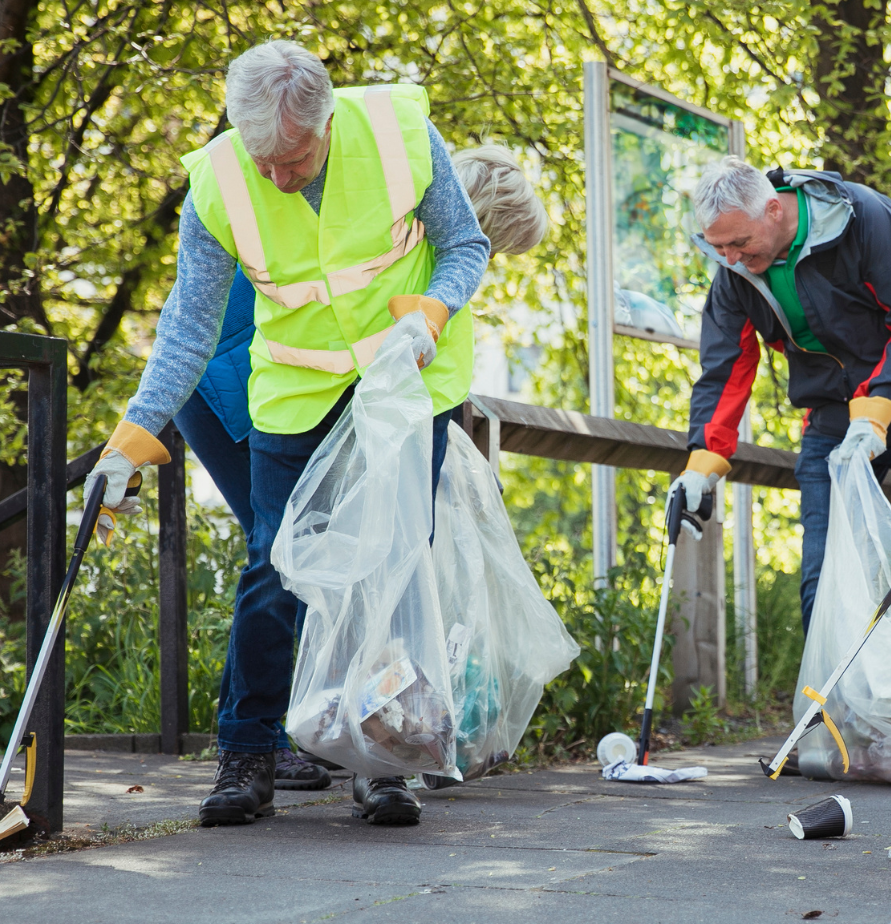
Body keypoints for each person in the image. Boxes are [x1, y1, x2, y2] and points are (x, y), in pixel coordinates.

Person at [87, 40, 491, 828]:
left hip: (407, 379)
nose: (275, 174)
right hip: (295, 387)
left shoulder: (402, 131)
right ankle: (245, 754)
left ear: (327, 121)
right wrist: (133, 432)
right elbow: (190, 321)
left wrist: (432, 316)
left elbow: (465, 245)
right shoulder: (217, 179)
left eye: (293, 157)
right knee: (274, 561)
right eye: (260, 157)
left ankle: (382, 764)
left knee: (394, 567)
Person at [170, 144, 547, 793]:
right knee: (288, 558)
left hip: (257, 388)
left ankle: (350, 730)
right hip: (233, 392)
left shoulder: (400, 233)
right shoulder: (387, 241)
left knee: (314, 563)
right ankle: (281, 736)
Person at [668, 155, 891, 775]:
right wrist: (704, 461)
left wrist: (879, 412)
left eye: (738, 242)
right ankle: (835, 721)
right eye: (717, 247)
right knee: (822, 573)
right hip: (832, 418)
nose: (729, 258)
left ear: (775, 210)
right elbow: (726, 365)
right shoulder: (733, 269)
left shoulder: (861, 216)